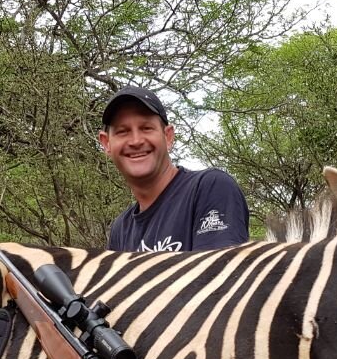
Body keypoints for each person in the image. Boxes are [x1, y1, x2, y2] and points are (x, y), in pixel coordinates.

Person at [99, 85, 250, 253]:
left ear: (168, 136)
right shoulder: (121, 230)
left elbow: (218, 275)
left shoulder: (211, 188)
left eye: (146, 128)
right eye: (123, 131)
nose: (136, 141)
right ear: (106, 144)